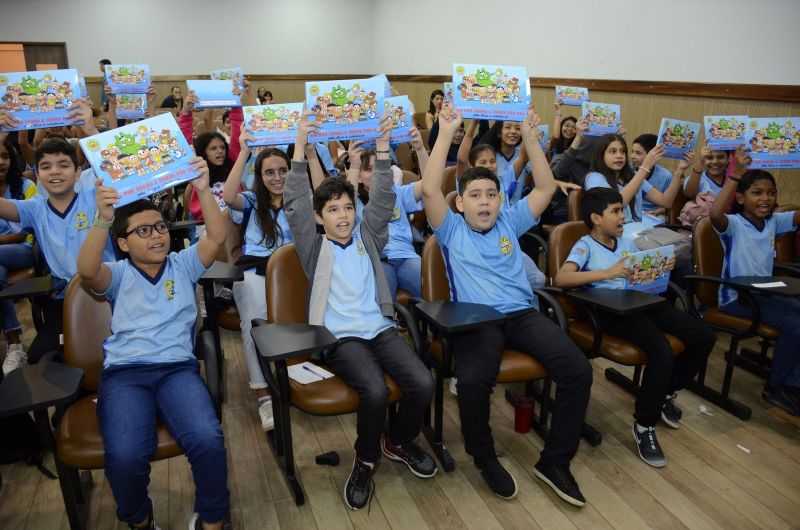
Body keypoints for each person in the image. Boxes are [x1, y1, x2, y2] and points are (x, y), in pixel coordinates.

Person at [421, 102, 592, 506]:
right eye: (475, 195)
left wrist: (532, 139)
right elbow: (429, 189)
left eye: (491, 195)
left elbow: (547, 188)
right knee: (476, 382)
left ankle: (554, 462)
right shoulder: (450, 230)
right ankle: (483, 456)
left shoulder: (510, 222)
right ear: (460, 203)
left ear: (501, 200)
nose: (484, 202)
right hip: (477, 320)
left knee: (578, 371)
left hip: (521, 314)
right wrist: (445, 133)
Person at [285, 113, 436, 511]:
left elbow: (384, 198)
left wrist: (384, 150)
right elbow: (295, 203)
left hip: (380, 328)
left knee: (422, 381)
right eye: (332, 210)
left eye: (347, 207)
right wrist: (300, 146)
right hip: (340, 337)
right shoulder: (313, 248)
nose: (342, 216)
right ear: (320, 218)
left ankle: (398, 442)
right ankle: (365, 461)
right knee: (374, 391)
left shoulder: (368, 235)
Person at [76, 159, 230, 530]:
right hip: (125, 375)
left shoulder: (183, 265)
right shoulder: (118, 275)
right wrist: (103, 218)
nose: (156, 235)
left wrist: (204, 190)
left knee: (208, 440)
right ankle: (140, 519)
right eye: (142, 231)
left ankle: (211, 520)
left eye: (159, 227)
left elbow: (217, 238)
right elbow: (86, 270)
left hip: (177, 371)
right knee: (126, 455)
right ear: (123, 243)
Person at [555, 187, 715, 467]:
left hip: (640, 302)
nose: (621, 217)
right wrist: (607, 273)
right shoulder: (585, 245)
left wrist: (659, 267)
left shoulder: (625, 242)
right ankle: (644, 425)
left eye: (622, 211)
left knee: (703, 336)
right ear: (595, 218)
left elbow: (637, 273)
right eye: (615, 212)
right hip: (610, 311)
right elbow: (561, 278)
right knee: (662, 352)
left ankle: (665, 392)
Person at [0, 100, 116, 369]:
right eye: (46, 167)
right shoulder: (34, 209)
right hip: (65, 297)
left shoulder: (94, 196)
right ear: (37, 175)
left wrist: (90, 130)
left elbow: (119, 171)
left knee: (115, 353)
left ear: (78, 173)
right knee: (41, 359)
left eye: (63, 165)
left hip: (110, 291)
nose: (54, 171)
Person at [222, 127, 308, 431]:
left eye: (283, 170)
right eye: (269, 172)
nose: (277, 177)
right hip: (255, 270)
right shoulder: (251, 200)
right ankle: (262, 394)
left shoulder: (300, 198)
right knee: (253, 317)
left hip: (294, 271)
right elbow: (227, 196)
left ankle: (303, 374)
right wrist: (244, 151)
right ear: (260, 175)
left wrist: (307, 149)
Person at [711, 148, 800, 416]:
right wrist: (735, 175)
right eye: (757, 193)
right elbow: (715, 214)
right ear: (740, 198)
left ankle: (793, 383)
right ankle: (775, 387)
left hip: (764, 294)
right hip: (737, 298)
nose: (766, 199)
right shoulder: (735, 224)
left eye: (770, 193)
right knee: (795, 325)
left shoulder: (773, 221)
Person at [345, 126, 429, 299]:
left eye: (380, 167)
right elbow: (346, 199)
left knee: (435, 289)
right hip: (375, 260)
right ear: (359, 177)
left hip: (406, 256)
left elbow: (430, 184)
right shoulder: (354, 202)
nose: (376, 173)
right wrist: (354, 166)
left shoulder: (398, 193)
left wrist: (420, 150)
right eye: (368, 169)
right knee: (383, 308)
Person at [583, 134, 690, 235]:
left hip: (637, 231)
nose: (619, 156)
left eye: (622, 151)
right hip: (611, 234)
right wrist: (645, 167)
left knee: (679, 245)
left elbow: (665, 201)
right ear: (601, 155)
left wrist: (679, 172)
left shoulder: (633, 175)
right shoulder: (594, 177)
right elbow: (617, 202)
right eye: (613, 151)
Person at [0, 133, 37, 375]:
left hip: (25, 251)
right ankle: (14, 343)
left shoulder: (26, 186)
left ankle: (14, 342)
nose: (2, 162)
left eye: (5, 156)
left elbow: (28, 232)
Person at [630, 133, 675, 217]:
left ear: (653, 155)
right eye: (632, 151)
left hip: (653, 215)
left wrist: (657, 212)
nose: (632, 156)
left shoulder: (666, 176)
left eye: (638, 153)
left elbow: (666, 205)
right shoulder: (628, 171)